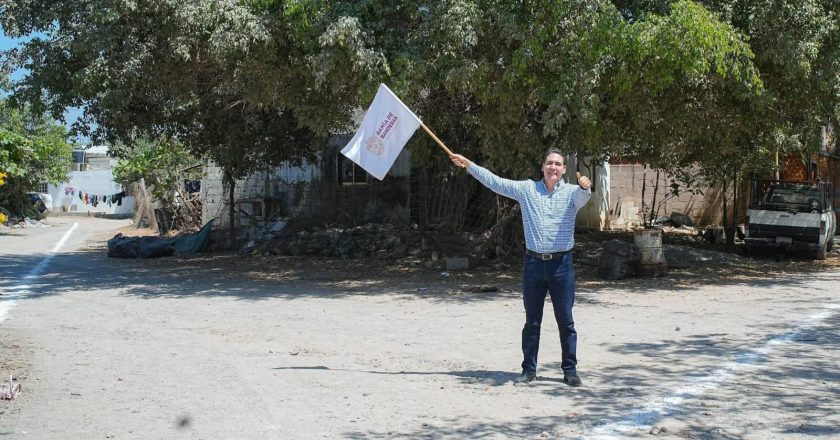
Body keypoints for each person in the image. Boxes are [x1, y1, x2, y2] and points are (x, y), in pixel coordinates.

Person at [449, 148, 591, 386]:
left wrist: (586, 186)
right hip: (534, 264)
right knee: (532, 321)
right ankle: (528, 370)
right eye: (549, 163)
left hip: (561, 266)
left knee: (565, 320)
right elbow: (496, 183)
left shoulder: (572, 193)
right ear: (542, 167)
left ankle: (570, 370)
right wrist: (469, 165)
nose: (553, 167)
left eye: (558, 164)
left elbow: (584, 196)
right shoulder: (527, 190)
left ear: (564, 169)